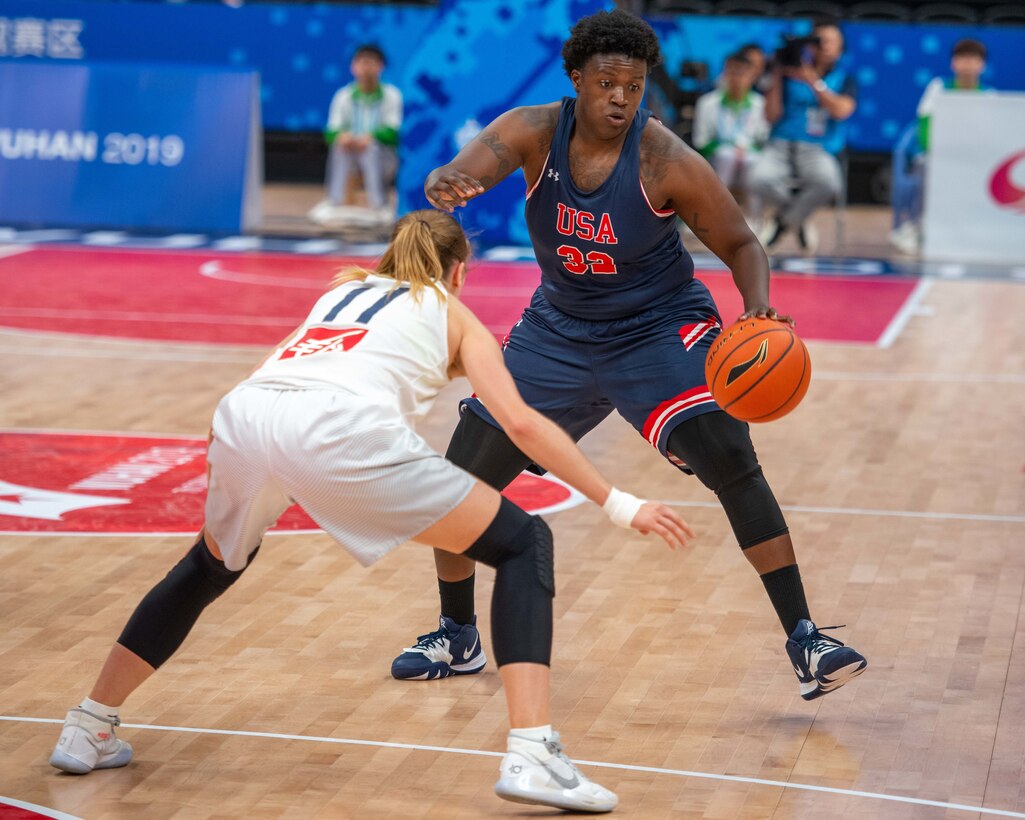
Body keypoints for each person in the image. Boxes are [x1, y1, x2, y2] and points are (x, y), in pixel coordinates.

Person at [48, 210, 695, 813]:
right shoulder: (453, 312)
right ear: (458, 271)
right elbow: (521, 423)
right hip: (337, 428)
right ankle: (532, 755)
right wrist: (617, 501)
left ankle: (87, 726)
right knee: (523, 543)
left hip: (246, 413)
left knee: (208, 567)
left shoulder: (341, 294)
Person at [391, 9, 867, 704]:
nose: (621, 96)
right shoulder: (532, 131)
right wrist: (452, 181)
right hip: (557, 329)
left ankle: (804, 636)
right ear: (576, 79)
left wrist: (755, 305)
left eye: (635, 85)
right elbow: (474, 163)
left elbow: (739, 243)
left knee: (727, 454)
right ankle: (456, 634)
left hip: (658, 327)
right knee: (460, 477)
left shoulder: (664, 160)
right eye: (608, 82)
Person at [749, 22, 857, 253]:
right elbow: (770, 116)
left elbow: (841, 110)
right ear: (810, 45)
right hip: (780, 144)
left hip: (818, 147)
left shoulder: (845, 79)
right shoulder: (787, 74)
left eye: (831, 42)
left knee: (829, 183)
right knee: (757, 178)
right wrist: (777, 75)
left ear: (840, 49)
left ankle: (783, 221)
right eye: (820, 41)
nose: (825, 47)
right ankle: (799, 217)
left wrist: (811, 81)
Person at [890, 38, 991, 254]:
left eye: (973, 59)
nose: (967, 64)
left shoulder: (989, 96)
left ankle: (976, 232)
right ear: (953, 63)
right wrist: (937, 151)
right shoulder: (938, 88)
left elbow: (990, 135)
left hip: (972, 160)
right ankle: (915, 227)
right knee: (926, 169)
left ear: (982, 65)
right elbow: (924, 124)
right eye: (962, 58)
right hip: (935, 155)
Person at [308, 43, 402, 227]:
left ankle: (379, 205)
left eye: (371, 63)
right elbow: (331, 131)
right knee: (339, 146)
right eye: (362, 63)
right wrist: (344, 137)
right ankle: (333, 201)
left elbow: (393, 132)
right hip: (350, 155)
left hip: (383, 158)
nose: (366, 68)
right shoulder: (343, 95)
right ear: (353, 67)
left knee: (370, 147)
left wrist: (370, 137)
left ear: (380, 67)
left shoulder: (392, 95)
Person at [692, 52, 769, 222]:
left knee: (753, 162)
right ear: (725, 73)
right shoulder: (707, 103)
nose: (737, 79)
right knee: (727, 156)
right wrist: (727, 148)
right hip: (718, 158)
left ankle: (754, 219)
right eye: (733, 72)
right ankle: (716, 216)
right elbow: (700, 140)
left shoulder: (761, 105)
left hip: (750, 157)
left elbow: (764, 141)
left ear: (753, 76)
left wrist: (745, 149)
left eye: (743, 74)